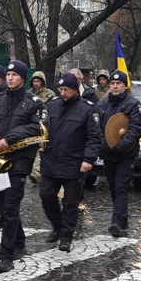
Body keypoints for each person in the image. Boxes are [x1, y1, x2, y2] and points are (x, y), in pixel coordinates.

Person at [0, 59, 43, 271]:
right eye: (8, 74)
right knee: (3, 205)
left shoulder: (34, 102)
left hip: (19, 161)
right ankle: (20, 242)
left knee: (10, 205)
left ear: (23, 78)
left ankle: (6, 254)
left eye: (14, 75)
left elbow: (39, 128)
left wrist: (10, 138)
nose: (9, 78)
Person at [39, 72, 101, 251]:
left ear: (75, 90)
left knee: (70, 202)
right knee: (46, 195)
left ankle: (66, 235)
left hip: (74, 162)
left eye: (66, 90)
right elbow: (43, 127)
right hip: (51, 160)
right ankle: (57, 226)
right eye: (61, 89)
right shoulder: (53, 105)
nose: (63, 93)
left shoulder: (88, 108)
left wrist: (88, 159)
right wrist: (42, 143)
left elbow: (94, 137)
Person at [95, 70, 141, 235]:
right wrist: (106, 144)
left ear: (125, 86)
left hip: (126, 154)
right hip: (108, 154)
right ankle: (123, 219)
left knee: (121, 186)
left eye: (119, 84)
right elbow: (96, 128)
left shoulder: (133, 104)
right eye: (113, 83)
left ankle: (116, 222)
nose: (115, 86)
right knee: (112, 186)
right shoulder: (102, 104)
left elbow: (136, 129)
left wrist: (121, 146)